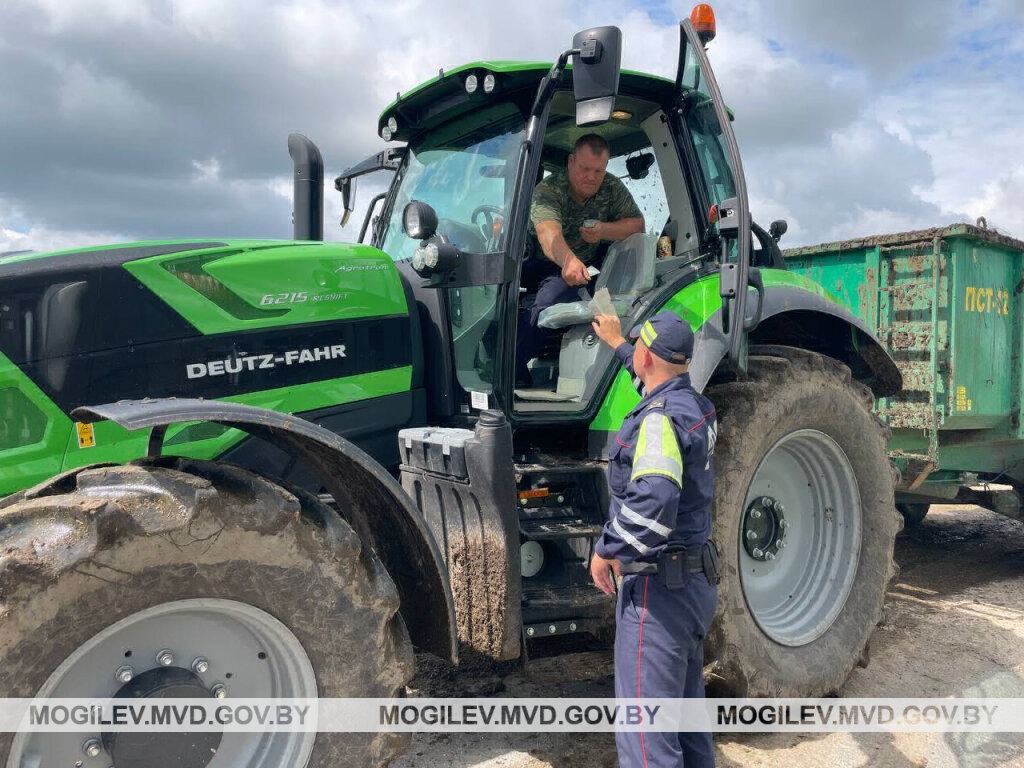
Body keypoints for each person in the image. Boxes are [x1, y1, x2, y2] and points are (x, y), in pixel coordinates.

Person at [589, 309, 720, 768]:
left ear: (647, 355)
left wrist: (607, 549)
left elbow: (652, 505)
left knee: (648, 741)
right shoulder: (694, 406)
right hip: (693, 585)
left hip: (657, 595)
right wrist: (618, 344)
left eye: (636, 349)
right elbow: (653, 381)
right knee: (687, 724)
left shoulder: (658, 422)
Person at [515, 133, 644, 386]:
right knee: (494, 286)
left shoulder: (611, 187)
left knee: (550, 301)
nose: (592, 177)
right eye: (585, 169)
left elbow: (637, 225)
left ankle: (513, 367)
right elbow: (548, 232)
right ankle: (491, 352)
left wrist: (603, 231)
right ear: (571, 162)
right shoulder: (549, 190)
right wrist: (568, 261)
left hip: (576, 269)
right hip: (539, 260)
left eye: (599, 171)